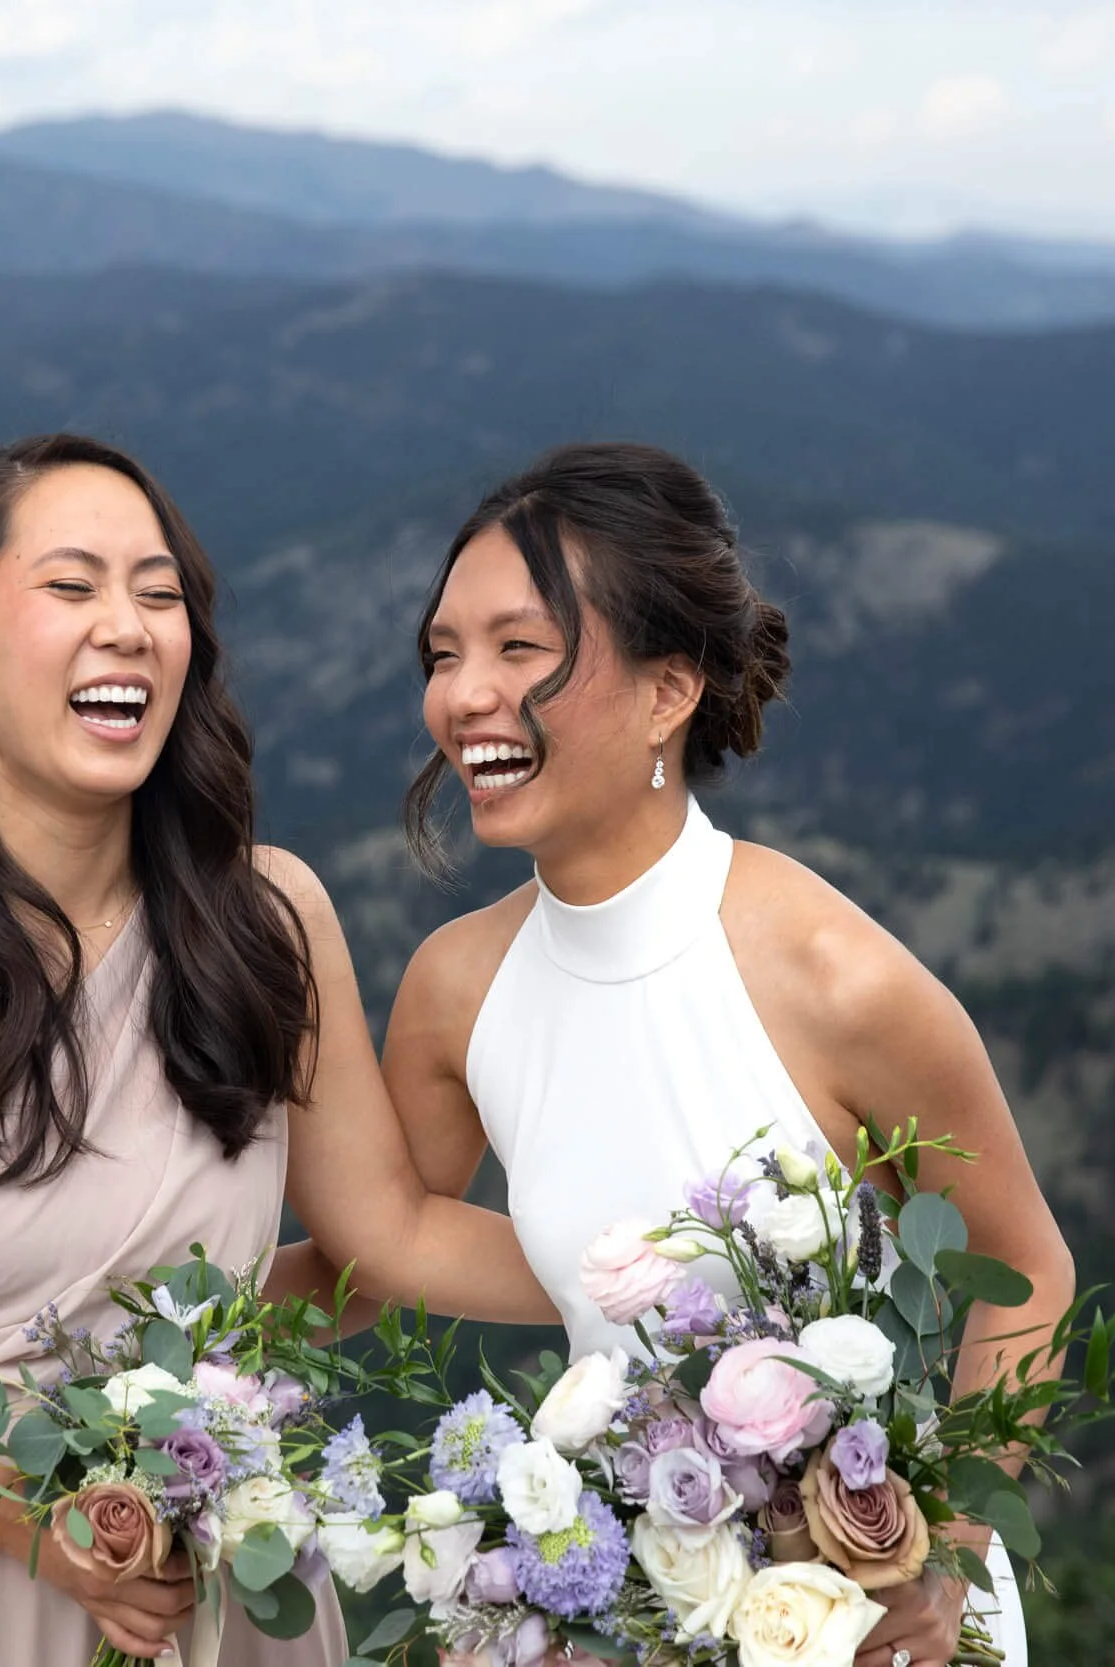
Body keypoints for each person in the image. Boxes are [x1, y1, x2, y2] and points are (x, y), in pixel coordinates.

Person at [0, 433, 554, 1666]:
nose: (127, 627)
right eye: (71, 585)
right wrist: (35, 1529)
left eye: (158, 594)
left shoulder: (266, 919)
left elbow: (377, 1252)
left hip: (215, 1583)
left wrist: (658, 1278)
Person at [378, 442, 1073, 1667]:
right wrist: (136, 1343)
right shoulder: (454, 989)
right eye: (443, 654)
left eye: (519, 648)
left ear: (667, 691)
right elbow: (380, 1241)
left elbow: (1025, 1266)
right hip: (636, 1621)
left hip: (879, 1628)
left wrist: (945, 1555)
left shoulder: (833, 976)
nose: (463, 694)